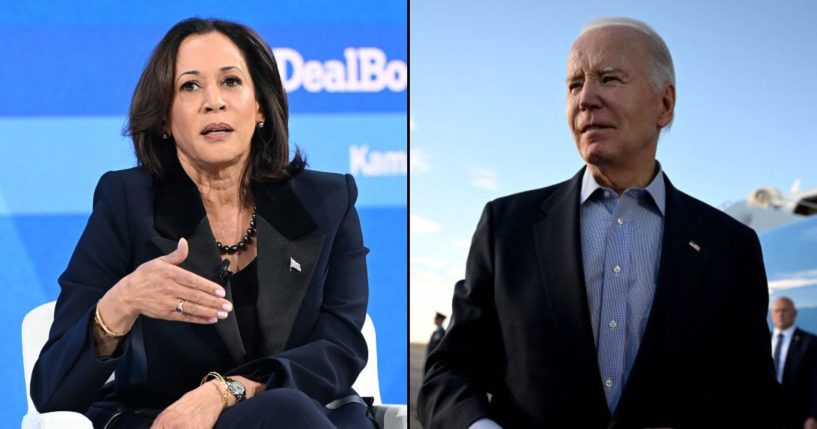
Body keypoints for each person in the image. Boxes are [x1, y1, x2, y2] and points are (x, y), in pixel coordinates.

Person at [417, 16, 781, 429]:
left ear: (664, 104)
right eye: (574, 84)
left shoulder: (730, 246)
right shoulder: (506, 228)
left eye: (608, 79)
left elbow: (756, 400)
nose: (585, 99)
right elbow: (448, 372)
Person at [30, 18, 375, 429]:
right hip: (165, 419)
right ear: (163, 118)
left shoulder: (328, 201)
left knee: (287, 410)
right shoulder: (126, 201)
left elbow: (340, 347)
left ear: (261, 105)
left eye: (231, 82)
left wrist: (227, 391)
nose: (214, 101)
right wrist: (123, 302)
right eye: (190, 86)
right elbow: (52, 390)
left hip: (301, 412)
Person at [771, 296, 817, 429]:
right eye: (777, 311)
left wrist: (814, 416)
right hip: (766, 414)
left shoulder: (811, 342)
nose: (780, 314)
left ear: (794, 313)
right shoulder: (762, 341)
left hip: (799, 416)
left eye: (785, 310)